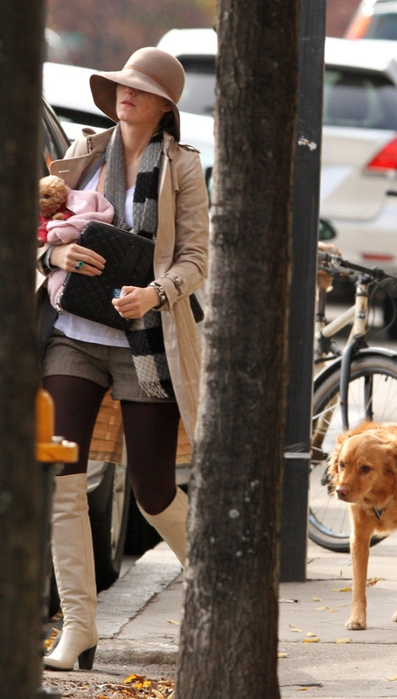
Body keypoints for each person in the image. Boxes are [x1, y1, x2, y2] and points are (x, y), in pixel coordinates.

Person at [37, 47, 209, 671]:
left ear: (165, 105)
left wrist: (153, 295)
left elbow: (195, 260)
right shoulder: (82, 153)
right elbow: (41, 232)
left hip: (146, 342)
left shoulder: (184, 169)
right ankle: (79, 629)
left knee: (154, 492)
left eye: (139, 88)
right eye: (120, 86)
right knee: (59, 474)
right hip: (75, 333)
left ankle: (217, 601)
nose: (124, 94)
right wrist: (56, 258)